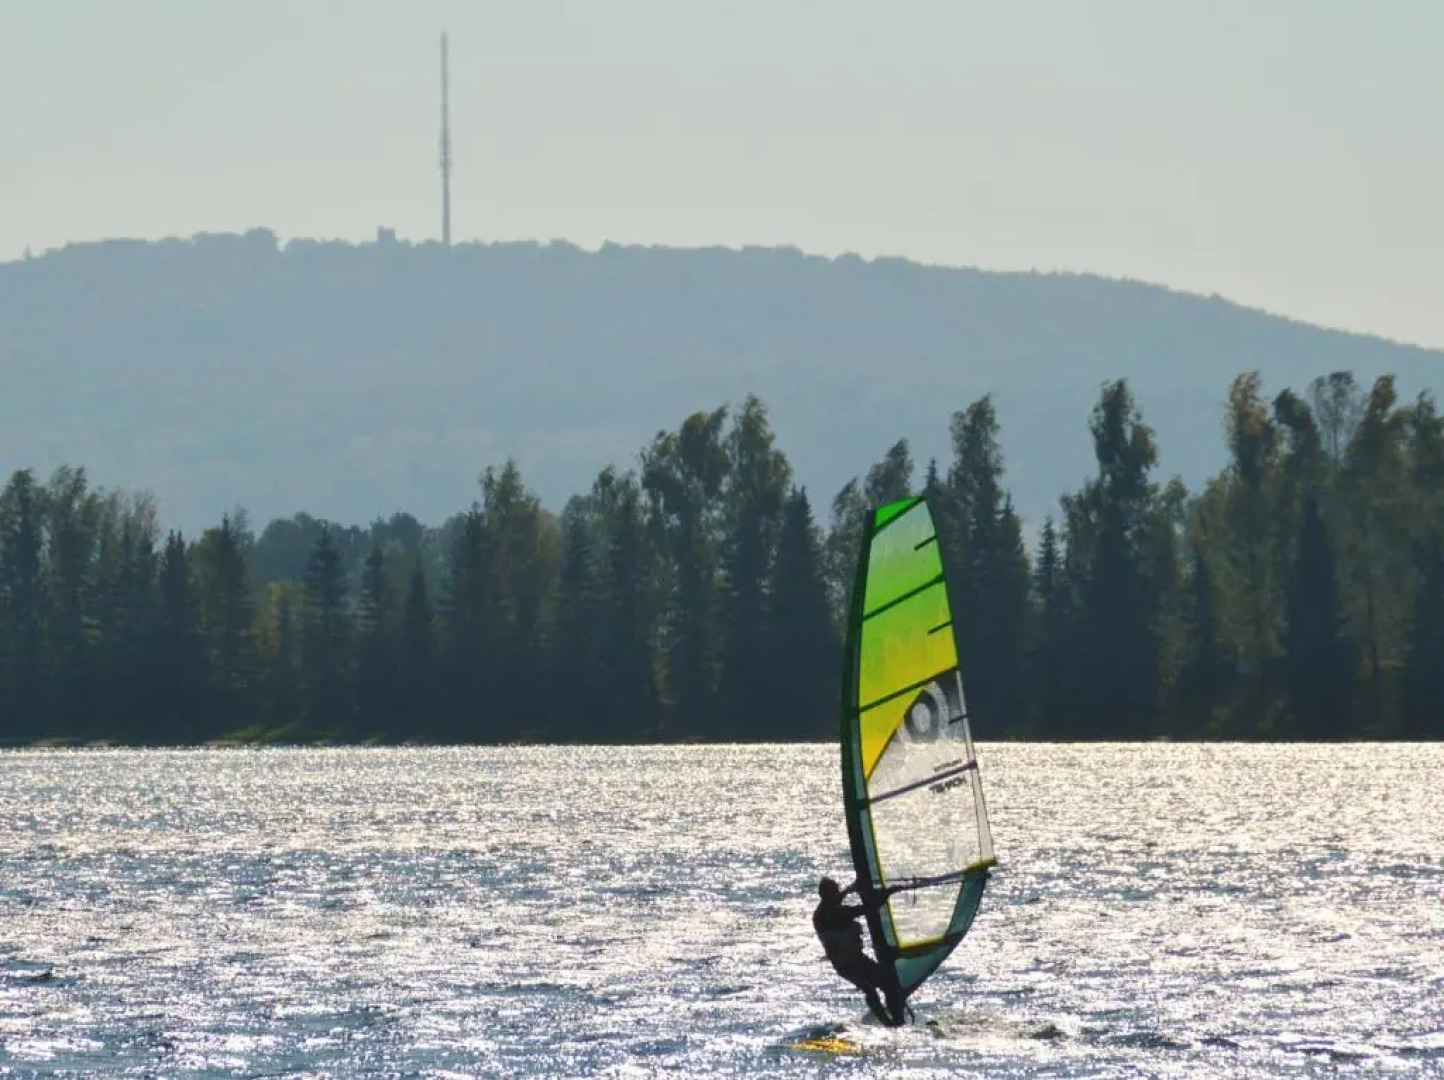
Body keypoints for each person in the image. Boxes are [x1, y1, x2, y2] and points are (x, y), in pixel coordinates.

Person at [812, 875, 907, 1026]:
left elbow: (837, 899)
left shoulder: (821, 911)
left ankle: (889, 1021)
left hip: (845, 964)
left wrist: (850, 889)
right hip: (852, 963)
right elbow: (868, 908)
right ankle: (892, 1023)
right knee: (883, 985)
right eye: (835, 892)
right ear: (827, 896)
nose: (838, 895)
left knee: (873, 988)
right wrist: (887, 893)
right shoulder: (836, 914)